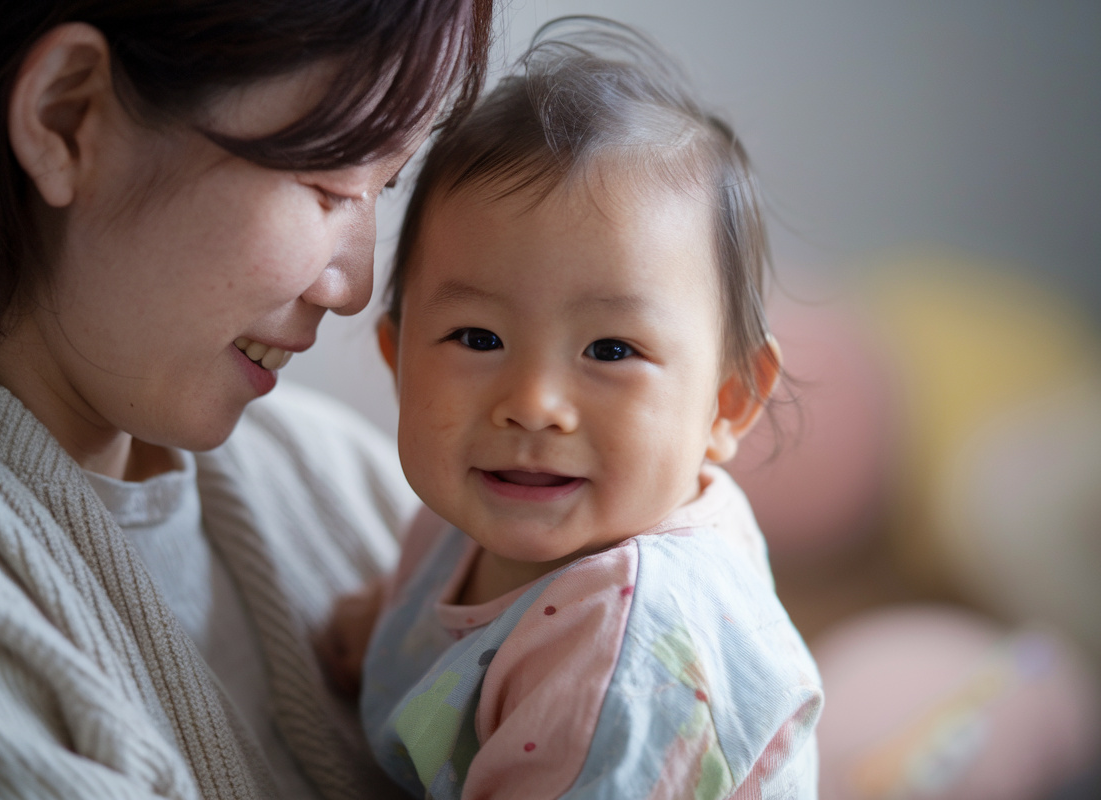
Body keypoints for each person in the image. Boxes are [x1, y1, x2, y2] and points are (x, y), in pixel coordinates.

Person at [0, 1, 492, 798]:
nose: (354, 285)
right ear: (68, 116)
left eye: (391, 183)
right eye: (330, 181)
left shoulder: (346, 476)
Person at [320, 18, 823, 799]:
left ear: (727, 403)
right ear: (399, 361)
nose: (532, 406)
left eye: (611, 351)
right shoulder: (481, 500)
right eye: (477, 337)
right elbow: (428, 639)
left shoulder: (628, 662)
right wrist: (378, 632)